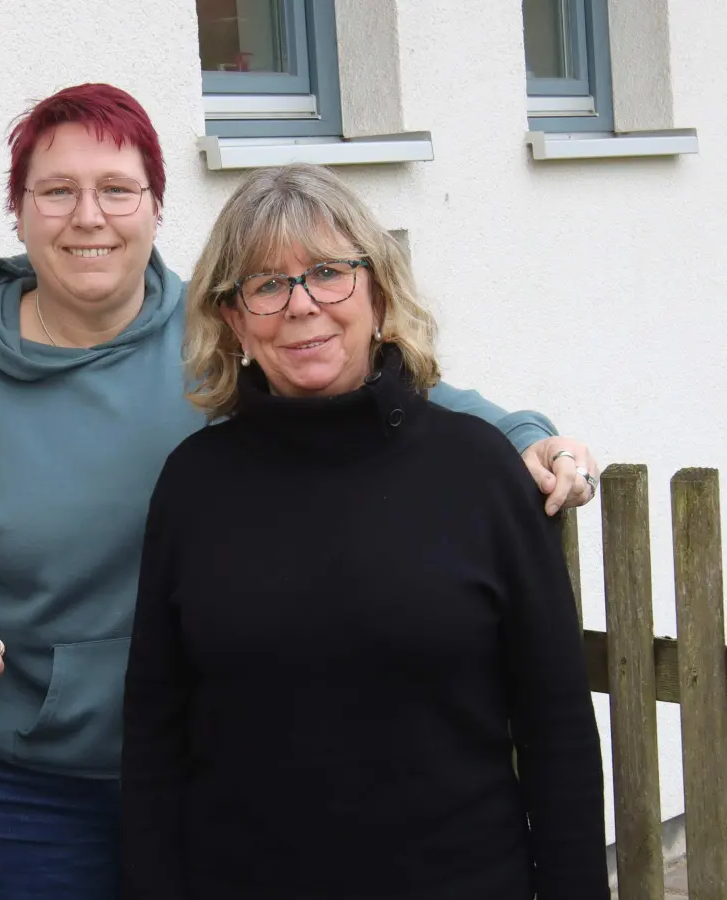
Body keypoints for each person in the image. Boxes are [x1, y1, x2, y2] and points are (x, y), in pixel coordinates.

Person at [0, 82, 601, 898]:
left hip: (220, 773)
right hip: (40, 786)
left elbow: (398, 407)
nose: (89, 217)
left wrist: (526, 439)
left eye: (117, 189)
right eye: (57, 191)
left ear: (156, 207)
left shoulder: (222, 329)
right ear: (17, 210)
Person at [122, 163, 607, 898]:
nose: (301, 304)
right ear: (233, 319)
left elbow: (557, 731)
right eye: (265, 283)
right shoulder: (194, 485)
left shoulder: (480, 473)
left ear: (379, 291)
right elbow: (156, 736)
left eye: (328, 272)